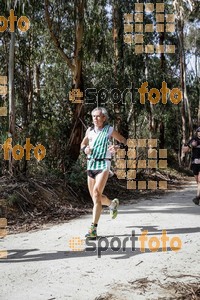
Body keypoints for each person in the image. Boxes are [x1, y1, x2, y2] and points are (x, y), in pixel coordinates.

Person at [80, 107, 127, 238]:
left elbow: (124, 141)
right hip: (91, 164)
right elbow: (82, 144)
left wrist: (117, 147)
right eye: (93, 116)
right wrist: (85, 149)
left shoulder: (109, 130)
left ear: (104, 118)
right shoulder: (89, 131)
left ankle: (93, 229)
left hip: (103, 163)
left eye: (98, 116)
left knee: (96, 193)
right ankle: (112, 204)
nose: (95, 118)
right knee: (96, 198)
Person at [183, 127, 200, 206]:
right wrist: (190, 146)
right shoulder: (193, 139)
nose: (199, 133)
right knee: (197, 181)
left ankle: (197, 197)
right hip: (195, 163)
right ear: (196, 132)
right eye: (198, 131)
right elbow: (185, 150)